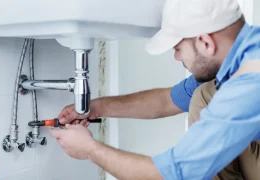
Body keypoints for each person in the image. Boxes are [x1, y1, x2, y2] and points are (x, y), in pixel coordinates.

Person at [50, 0, 260, 179]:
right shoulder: (243, 56)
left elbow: (175, 174)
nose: (176, 57)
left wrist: (90, 149)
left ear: (205, 42)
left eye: (178, 48)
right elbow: (166, 101)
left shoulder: (249, 84)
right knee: (204, 95)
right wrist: (95, 107)